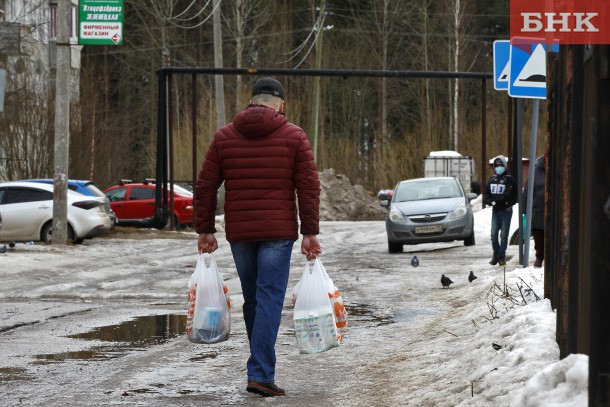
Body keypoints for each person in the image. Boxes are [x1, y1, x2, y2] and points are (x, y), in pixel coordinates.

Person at [195, 77, 322, 398]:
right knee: (268, 299)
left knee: (254, 300)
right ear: (281, 103)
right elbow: (309, 188)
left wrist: (205, 229)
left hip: (241, 233)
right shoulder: (294, 136)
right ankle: (261, 373)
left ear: (252, 101)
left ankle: (259, 371)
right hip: (278, 233)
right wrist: (310, 233)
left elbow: (206, 185)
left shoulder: (224, 137)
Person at [483, 155, 518, 266]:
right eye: (496, 166)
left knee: (503, 235)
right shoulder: (492, 179)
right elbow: (486, 195)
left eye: (500, 165)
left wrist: (497, 201)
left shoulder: (510, 179)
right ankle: (496, 255)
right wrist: (492, 202)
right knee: (493, 235)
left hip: (506, 211)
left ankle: (501, 257)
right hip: (495, 211)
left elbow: (508, 196)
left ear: (505, 166)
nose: (498, 168)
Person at [522, 154, 546, 268]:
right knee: (539, 237)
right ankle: (539, 257)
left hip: (553, 213)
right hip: (538, 211)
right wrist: (524, 209)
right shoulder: (535, 173)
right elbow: (527, 192)